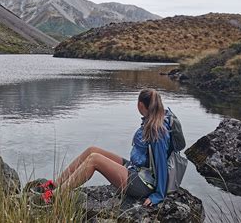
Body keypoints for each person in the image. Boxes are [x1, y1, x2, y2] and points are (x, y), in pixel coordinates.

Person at [32, 88, 172, 207]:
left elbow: (161, 164)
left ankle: (54, 197)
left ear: (140, 105)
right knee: (92, 150)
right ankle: (55, 184)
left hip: (143, 184)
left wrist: (158, 195)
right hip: (137, 169)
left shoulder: (157, 130)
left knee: (95, 160)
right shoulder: (153, 120)